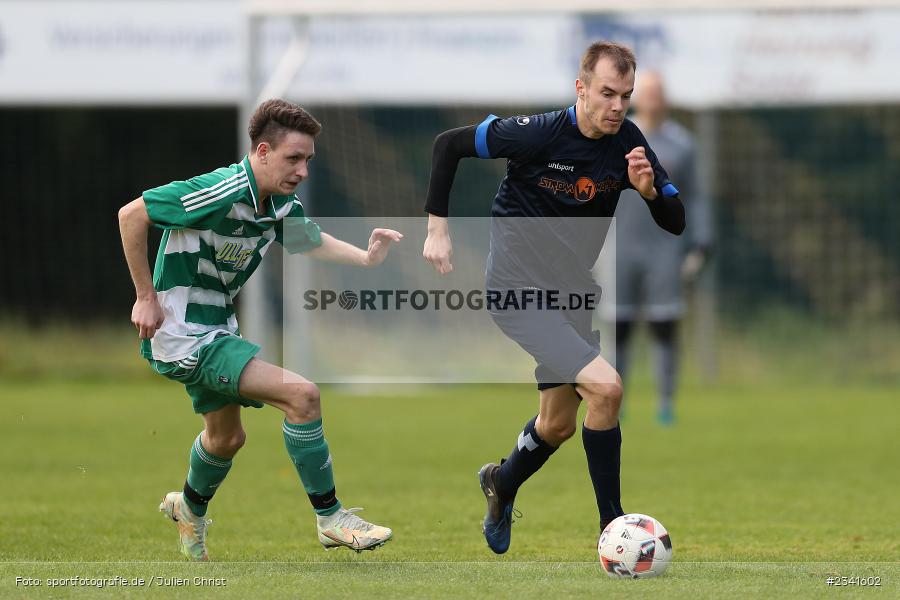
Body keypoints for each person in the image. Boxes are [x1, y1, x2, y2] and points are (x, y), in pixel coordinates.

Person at [421, 42, 685, 554]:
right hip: (516, 289)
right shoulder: (539, 133)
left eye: (625, 96)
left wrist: (650, 191)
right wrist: (437, 228)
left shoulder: (629, 143)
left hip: (570, 297)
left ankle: (501, 482)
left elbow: (676, 222)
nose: (617, 106)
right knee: (607, 389)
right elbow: (448, 144)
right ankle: (615, 533)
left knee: (557, 424)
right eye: (607, 93)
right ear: (581, 88)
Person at [118, 99, 401, 561]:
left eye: (308, 159)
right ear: (263, 151)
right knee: (303, 395)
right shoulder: (219, 190)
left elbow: (307, 238)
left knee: (227, 439)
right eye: (294, 158)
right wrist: (145, 295)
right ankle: (330, 518)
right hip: (184, 335)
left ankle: (189, 508)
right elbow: (132, 215)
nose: (303, 170)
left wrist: (366, 258)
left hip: (217, 330)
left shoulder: (277, 204)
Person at [612, 71, 712, 425]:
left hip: (665, 249)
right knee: (618, 327)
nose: (653, 100)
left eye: (659, 94)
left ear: (665, 99)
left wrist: (701, 242)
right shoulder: (615, 138)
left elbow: (696, 198)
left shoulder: (681, 144)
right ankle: (614, 402)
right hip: (619, 248)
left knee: (664, 325)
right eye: (647, 94)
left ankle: (666, 403)